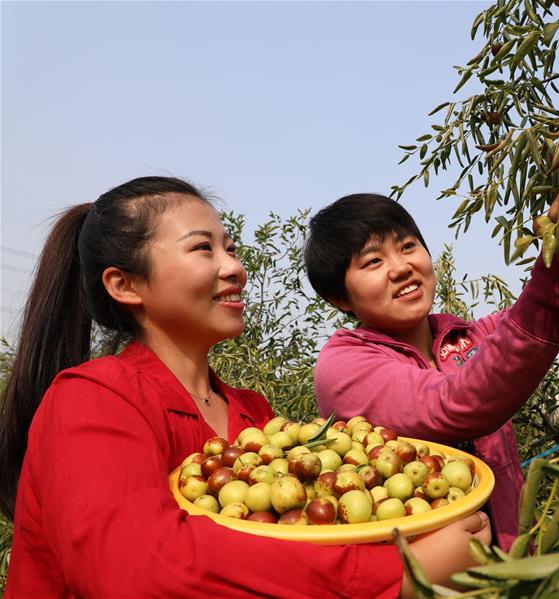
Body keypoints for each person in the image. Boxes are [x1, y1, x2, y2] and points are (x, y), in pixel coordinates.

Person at [0, 177, 490, 598]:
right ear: (125, 285)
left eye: (230, 248)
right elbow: (136, 571)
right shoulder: (91, 399)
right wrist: (398, 572)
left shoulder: (253, 416)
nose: (234, 267)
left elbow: (294, 546)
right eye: (202, 248)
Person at [305, 97, 559, 550]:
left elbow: (554, 311)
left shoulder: (465, 338)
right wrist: (556, 266)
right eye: (372, 261)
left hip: (508, 562)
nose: (401, 267)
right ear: (339, 298)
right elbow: (457, 401)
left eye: (407, 246)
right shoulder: (345, 365)